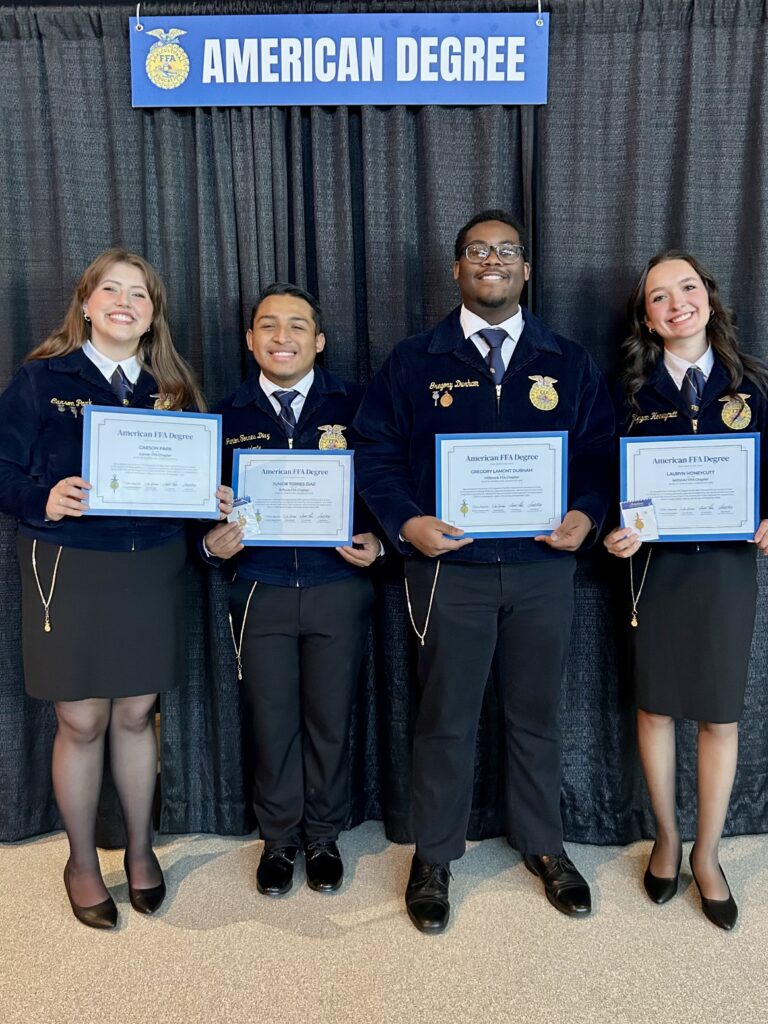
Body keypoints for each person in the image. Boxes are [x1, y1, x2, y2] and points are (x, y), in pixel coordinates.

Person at [352, 210, 614, 931]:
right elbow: (372, 452)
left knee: (535, 714)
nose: (490, 260)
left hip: (542, 568)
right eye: (476, 251)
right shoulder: (415, 361)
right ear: (458, 269)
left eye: (505, 251)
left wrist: (587, 514)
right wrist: (406, 523)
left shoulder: (566, 359)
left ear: (526, 269)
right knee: (445, 719)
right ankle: (435, 854)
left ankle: (544, 845)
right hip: (449, 572)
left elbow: (598, 455)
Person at [0, 248, 231, 929]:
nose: (126, 302)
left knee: (136, 715)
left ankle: (138, 849)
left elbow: (191, 491)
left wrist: (209, 500)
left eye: (140, 294)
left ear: (153, 314)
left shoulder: (176, 389)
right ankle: (79, 860)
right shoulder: (43, 381)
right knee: (83, 719)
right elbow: (2, 470)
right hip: (68, 565)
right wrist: (45, 496)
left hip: (150, 568)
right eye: (112, 290)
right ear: (88, 303)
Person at [604, 251, 768, 931]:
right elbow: (602, 484)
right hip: (655, 574)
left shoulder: (752, 385)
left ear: (709, 297)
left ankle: (708, 853)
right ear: (647, 316)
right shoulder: (629, 393)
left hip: (726, 572)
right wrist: (612, 530)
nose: (677, 304)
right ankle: (667, 839)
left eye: (688, 289)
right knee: (656, 712)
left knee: (720, 717)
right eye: (660, 297)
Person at [202, 282, 381, 897]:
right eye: (269, 326)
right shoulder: (221, 420)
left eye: (298, 326)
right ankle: (279, 839)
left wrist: (380, 542)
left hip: (339, 586)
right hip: (259, 589)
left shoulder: (358, 407)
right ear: (250, 340)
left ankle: (323, 834)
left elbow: (388, 485)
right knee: (272, 717)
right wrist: (208, 542)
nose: (283, 337)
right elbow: (192, 510)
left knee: (330, 718)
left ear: (320, 340)